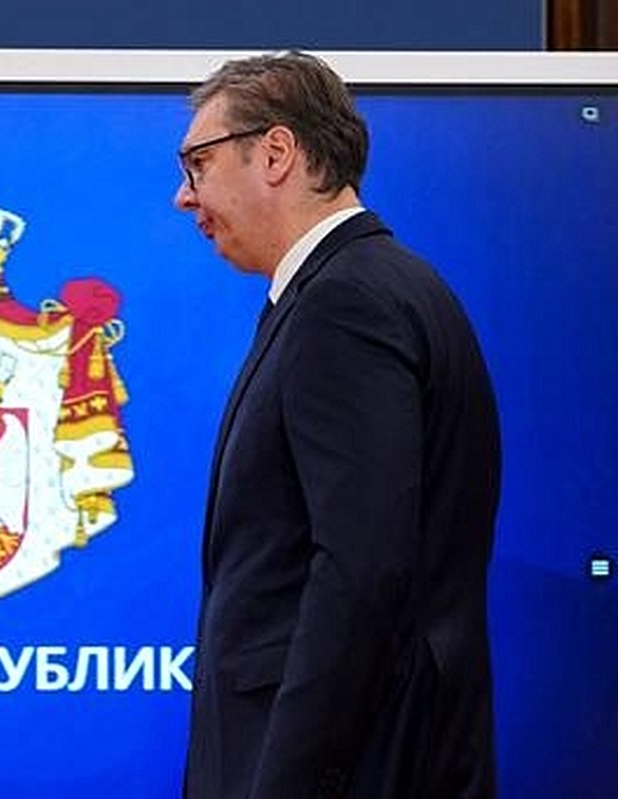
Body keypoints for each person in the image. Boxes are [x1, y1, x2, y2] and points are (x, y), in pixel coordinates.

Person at [174, 52, 501, 799]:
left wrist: (288, 782)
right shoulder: (380, 287)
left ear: (276, 153)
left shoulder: (344, 305)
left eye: (198, 163)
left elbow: (361, 571)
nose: (184, 196)